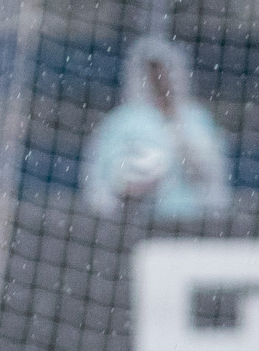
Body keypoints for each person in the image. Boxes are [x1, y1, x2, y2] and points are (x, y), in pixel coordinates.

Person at [81, 36, 230, 218]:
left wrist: (183, 143)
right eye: (153, 73)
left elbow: (215, 178)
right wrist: (132, 185)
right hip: (140, 224)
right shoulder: (123, 122)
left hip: (194, 223)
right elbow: (101, 180)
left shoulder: (196, 119)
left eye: (164, 72)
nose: (159, 80)